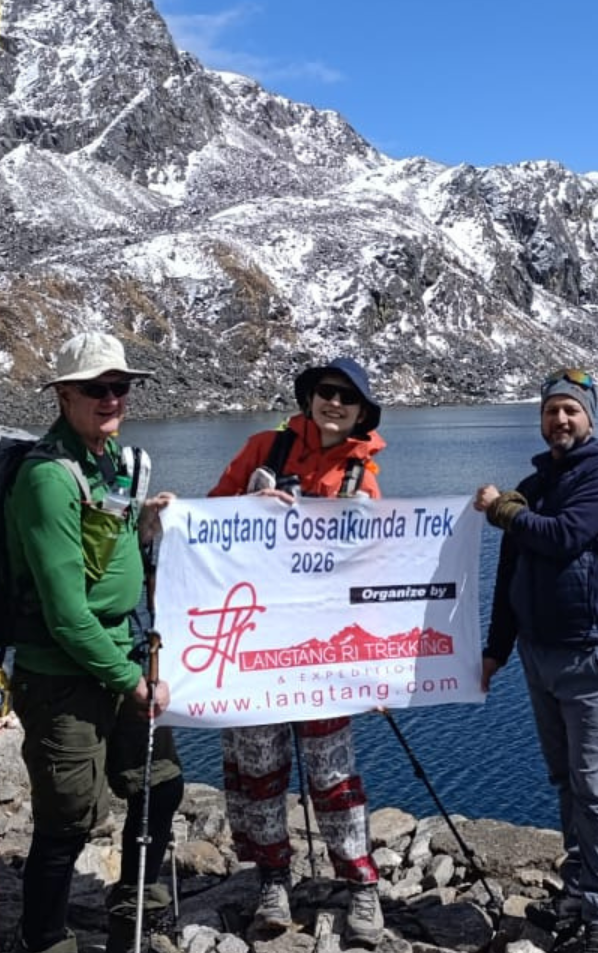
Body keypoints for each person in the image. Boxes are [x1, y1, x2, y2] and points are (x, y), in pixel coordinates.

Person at [9, 332, 180, 953]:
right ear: (62, 395)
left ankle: (137, 913)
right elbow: (65, 613)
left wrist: (153, 521)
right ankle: (46, 940)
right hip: (63, 674)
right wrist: (130, 680)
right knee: (67, 823)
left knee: (159, 784)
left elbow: (114, 550)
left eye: (120, 387)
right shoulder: (48, 479)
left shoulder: (109, 462)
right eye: (96, 389)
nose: (112, 399)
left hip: (120, 656)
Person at [208, 357, 387, 944]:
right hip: (256, 645)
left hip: (324, 655)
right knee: (257, 770)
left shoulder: (365, 475)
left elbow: (381, 570)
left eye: (346, 398)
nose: (333, 403)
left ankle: (361, 886)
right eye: (324, 392)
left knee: (333, 774)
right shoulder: (265, 449)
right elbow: (205, 525)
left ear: (361, 412)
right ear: (309, 398)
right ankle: (272, 880)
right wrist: (247, 507)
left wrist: (382, 667)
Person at [472, 370, 598, 953]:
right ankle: (576, 891)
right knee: (566, 782)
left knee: (594, 790)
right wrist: (495, 650)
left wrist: (503, 512)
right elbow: (509, 577)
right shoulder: (530, 487)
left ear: (590, 417)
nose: (560, 420)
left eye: (571, 410)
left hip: (592, 656)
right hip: (538, 657)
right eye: (551, 412)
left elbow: (565, 536)